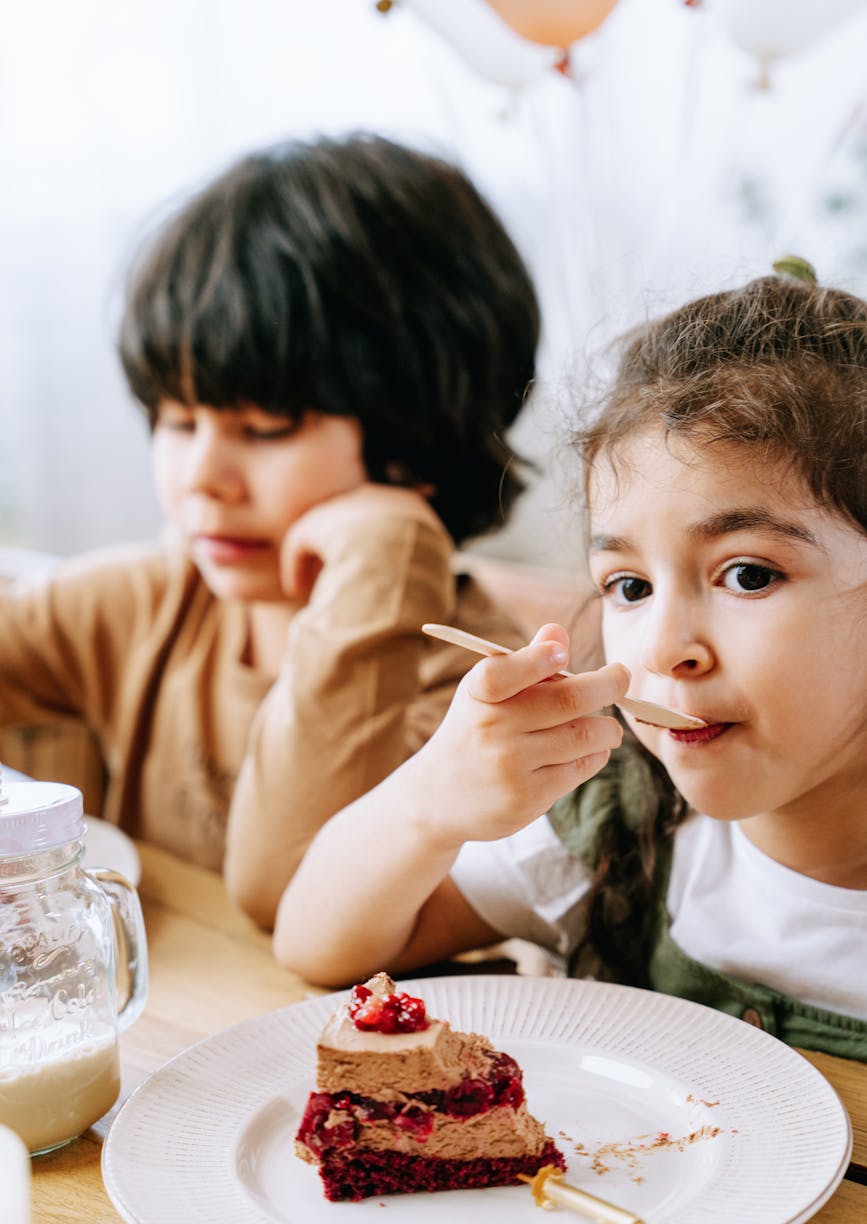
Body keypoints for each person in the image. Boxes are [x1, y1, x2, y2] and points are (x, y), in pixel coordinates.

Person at [274, 266, 867, 1061]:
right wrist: (430, 805)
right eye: (628, 586)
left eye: (747, 574)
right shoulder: (614, 826)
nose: (661, 648)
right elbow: (319, 947)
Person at [0, 133, 540, 928]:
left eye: (265, 428)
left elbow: (285, 891)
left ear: (416, 439)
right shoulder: (147, 605)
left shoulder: (473, 699)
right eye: (179, 421)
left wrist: (387, 559)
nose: (201, 477)